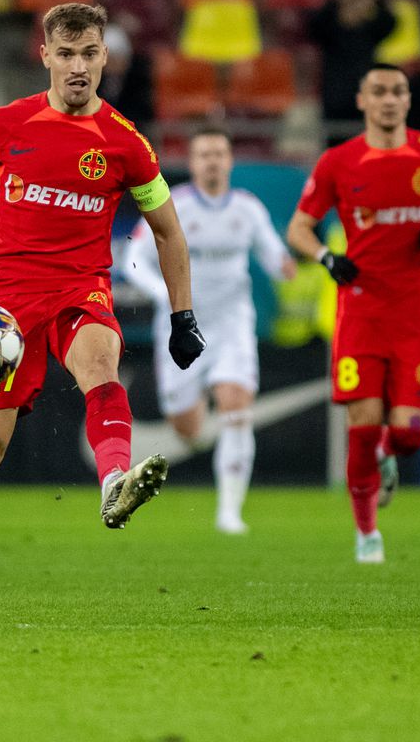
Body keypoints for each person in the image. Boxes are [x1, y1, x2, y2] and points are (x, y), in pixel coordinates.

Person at [0, 2, 204, 614]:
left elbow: (168, 232)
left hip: (80, 286)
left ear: (104, 57)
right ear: (45, 57)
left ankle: (114, 479)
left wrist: (182, 314)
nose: (78, 66)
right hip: (6, 302)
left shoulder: (125, 142)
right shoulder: (6, 122)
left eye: (89, 53)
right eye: (66, 54)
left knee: (101, 360)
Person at [286, 63, 420, 564]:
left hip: (415, 316)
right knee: (363, 426)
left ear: (408, 100)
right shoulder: (338, 162)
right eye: (379, 92)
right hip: (362, 314)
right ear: (362, 102)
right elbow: (299, 228)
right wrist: (327, 258)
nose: (389, 99)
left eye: (397, 91)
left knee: (410, 433)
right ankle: (367, 533)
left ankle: (391, 456)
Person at [122, 127, 295, 534]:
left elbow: (271, 251)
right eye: (205, 154)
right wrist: (163, 295)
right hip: (184, 322)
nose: (213, 161)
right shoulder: (174, 206)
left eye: (220, 153)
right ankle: (200, 429)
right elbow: (135, 256)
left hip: (233, 321)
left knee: (237, 406)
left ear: (230, 160)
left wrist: (284, 267)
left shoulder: (247, 209)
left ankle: (229, 513)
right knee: (187, 427)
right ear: (193, 162)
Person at [307, 0, 396, 145]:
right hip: (335, 95)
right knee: (335, 148)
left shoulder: (370, 29)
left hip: (363, 94)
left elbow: (390, 22)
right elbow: (313, 27)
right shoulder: (332, 26)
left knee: (364, 148)